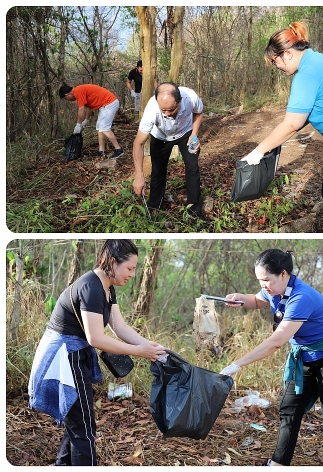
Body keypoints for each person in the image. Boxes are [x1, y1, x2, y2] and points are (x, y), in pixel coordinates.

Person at [220, 249, 323, 466]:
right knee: (289, 410)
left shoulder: (301, 298)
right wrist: (240, 299)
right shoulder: (273, 291)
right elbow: (255, 300)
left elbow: (276, 342)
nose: (263, 286)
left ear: (282, 274)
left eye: (266, 280)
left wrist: (236, 364)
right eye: (260, 281)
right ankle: (278, 464)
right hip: (305, 359)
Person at [28, 239, 167, 466]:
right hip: (63, 358)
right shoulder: (91, 287)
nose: (132, 274)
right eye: (130, 268)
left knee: (79, 421)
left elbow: (119, 327)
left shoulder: (107, 287)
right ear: (113, 262)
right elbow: (96, 338)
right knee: (84, 427)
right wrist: (139, 352)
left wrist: (151, 347)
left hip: (75, 354)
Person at [240, 22, 323, 233]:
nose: (277, 68)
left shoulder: (306, 74)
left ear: (287, 54)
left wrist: (258, 152)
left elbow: (292, 124)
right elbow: (312, 110)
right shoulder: (319, 61)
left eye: (275, 62)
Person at [132, 82, 206, 220]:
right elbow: (138, 143)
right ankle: (153, 210)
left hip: (185, 132)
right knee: (158, 171)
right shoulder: (151, 110)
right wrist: (139, 175)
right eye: (163, 110)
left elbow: (198, 112)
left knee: (192, 168)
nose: (167, 114)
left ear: (180, 100)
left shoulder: (190, 97)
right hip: (161, 137)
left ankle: (194, 212)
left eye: (171, 109)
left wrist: (194, 134)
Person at [59, 83, 124, 159]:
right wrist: (86, 120)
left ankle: (119, 150)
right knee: (99, 127)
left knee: (105, 128)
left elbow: (81, 110)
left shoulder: (78, 91)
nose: (68, 100)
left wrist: (78, 124)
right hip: (105, 106)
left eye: (66, 99)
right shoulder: (79, 91)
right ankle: (101, 150)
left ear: (67, 95)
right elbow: (89, 108)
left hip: (109, 103)